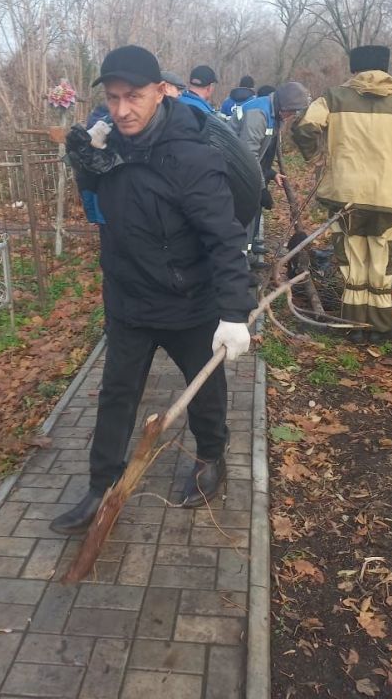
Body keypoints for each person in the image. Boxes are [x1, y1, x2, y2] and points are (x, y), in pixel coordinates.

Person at [51, 45, 254, 535]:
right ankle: (102, 488)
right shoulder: (108, 147)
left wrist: (233, 312)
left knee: (203, 388)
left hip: (190, 302)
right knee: (116, 395)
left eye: (134, 96)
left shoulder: (191, 156)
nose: (123, 110)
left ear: (161, 91)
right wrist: (87, 160)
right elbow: (100, 215)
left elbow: (225, 238)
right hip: (129, 302)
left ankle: (210, 458)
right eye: (114, 98)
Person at [291, 45, 392, 343]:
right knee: (382, 260)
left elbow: (305, 128)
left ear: (354, 70)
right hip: (388, 195)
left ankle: (353, 326)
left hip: (344, 193)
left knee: (351, 258)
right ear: (387, 69)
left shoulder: (333, 98)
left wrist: (314, 156)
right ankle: (381, 326)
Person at [235, 82, 310, 262]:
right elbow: (249, 155)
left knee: (251, 216)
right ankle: (238, 265)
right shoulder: (258, 114)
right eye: (292, 111)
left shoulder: (274, 113)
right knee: (240, 216)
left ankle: (246, 259)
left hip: (248, 169)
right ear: (283, 106)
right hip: (236, 170)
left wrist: (270, 173)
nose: (292, 115)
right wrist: (261, 188)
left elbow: (264, 152)